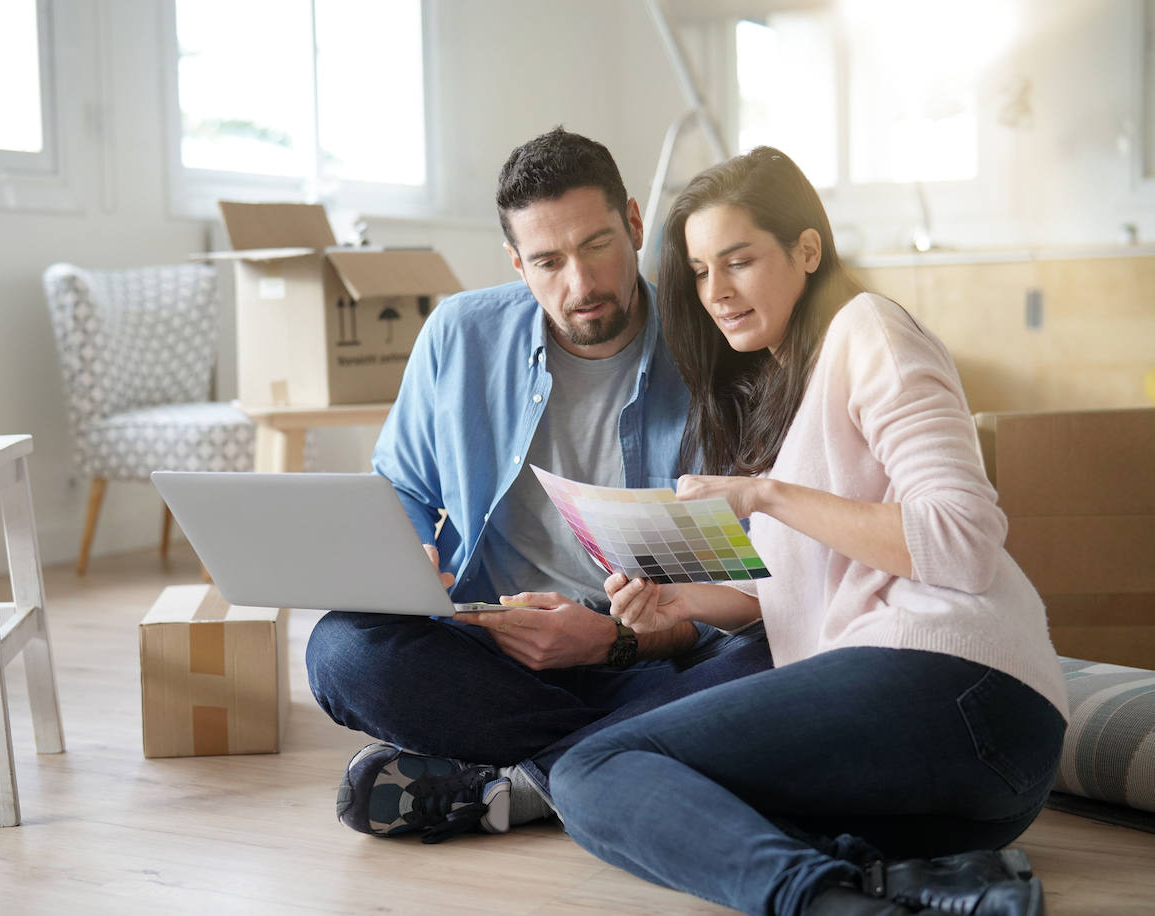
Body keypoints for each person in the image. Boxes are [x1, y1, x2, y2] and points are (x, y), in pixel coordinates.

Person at [548, 146, 1068, 916]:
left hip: (961, 685)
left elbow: (961, 539)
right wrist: (683, 603)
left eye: (739, 261)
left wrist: (765, 494)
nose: (716, 292)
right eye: (698, 271)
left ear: (807, 249)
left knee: (594, 769)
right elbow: (797, 590)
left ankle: (829, 905)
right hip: (973, 797)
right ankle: (915, 888)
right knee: (688, 811)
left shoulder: (869, 329)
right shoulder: (782, 392)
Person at [305, 127, 774, 843]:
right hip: (493, 652)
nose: (580, 285)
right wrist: (406, 557)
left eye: (596, 246)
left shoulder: (717, 352)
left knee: (775, 654)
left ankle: (521, 783)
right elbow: (401, 485)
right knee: (341, 652)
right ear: (516, 262)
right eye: (549, 261)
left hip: (649, 658)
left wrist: (610, 641)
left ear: (635, 223)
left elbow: (744, 589)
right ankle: (617, 759)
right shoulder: (460, 335)